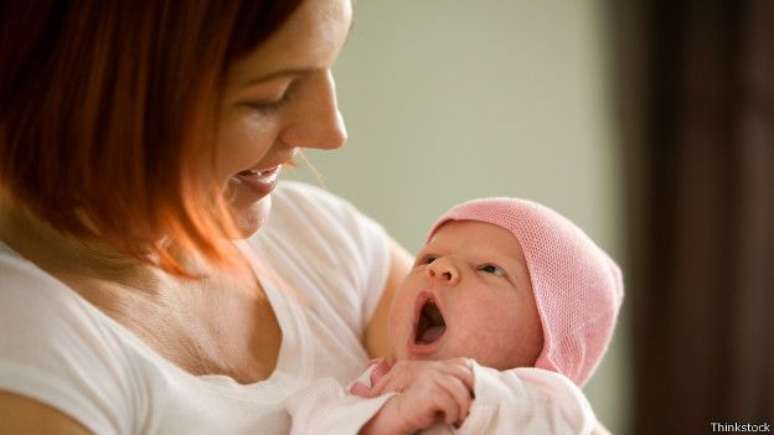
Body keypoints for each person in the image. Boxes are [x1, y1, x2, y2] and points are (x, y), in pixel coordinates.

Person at [0, 1, 417, 433]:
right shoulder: (32, 355)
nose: (331, 132)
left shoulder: (322, 240)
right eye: (270, 98)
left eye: (326, 65)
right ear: (92, 94)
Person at [285, 198, 624, 434]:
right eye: (428, 259)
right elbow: (310, 424)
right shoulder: (368, 391)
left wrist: (472, 389)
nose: (440, 268)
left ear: (547, 339)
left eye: (489, 269)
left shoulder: (548, 402)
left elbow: (560, 423)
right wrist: (386, 418)